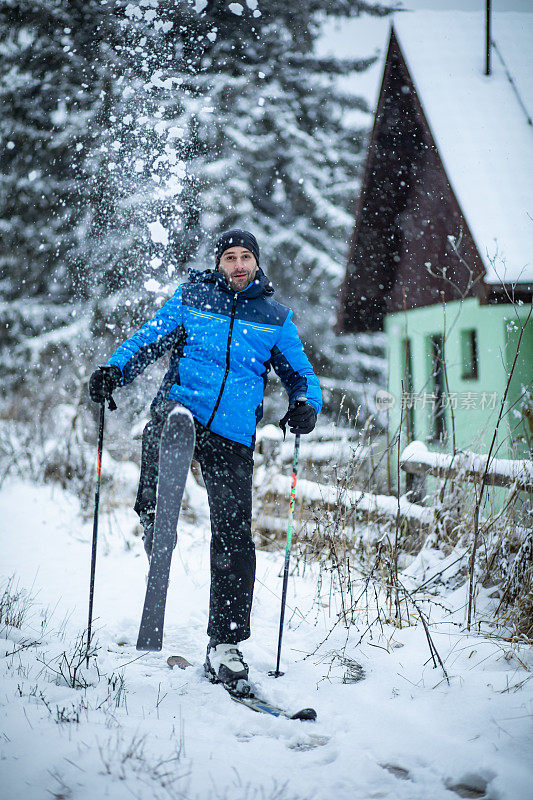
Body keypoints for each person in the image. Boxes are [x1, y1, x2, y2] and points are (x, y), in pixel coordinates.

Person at [89, 229, 322, 689]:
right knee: (162, 434)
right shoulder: (192, 298)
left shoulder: (275, 318)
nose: (237, 265)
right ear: (219, 263)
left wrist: (306, 403)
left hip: (234, 433)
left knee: (235, 535)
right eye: (230, 257)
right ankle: (157, 521)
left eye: (245, 258)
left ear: (257, 264)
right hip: (182, 410)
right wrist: (115, 369)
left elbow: (301, 372)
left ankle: (226, 643)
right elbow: (148, 339)